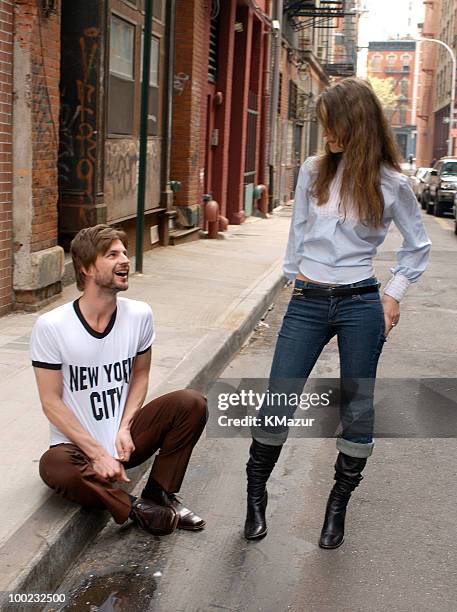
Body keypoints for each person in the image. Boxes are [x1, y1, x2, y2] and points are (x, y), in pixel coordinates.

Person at [244, 77, 432, 548]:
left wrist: (393, 294)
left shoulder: (394, 185)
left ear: (356, 124)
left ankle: (337, 505)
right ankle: (255, 496)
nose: (325, 133)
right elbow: (298, 234)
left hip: (360, 303)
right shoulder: (314, 170)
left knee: (357, 407)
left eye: (332, 124)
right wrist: (293, 282)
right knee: (278, 399)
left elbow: (417, 246)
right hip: (307, 301)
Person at [32, 225, 208, 535]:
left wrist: (125, 426)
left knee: (190, 402)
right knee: (53, 466)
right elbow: (51, 402)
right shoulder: (52, 325)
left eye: (125, 252)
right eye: (112, 254)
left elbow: (140, 376)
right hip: (78, 450)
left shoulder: (139, 314)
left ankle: (160, 492)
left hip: (125, 441)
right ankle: (139, 510)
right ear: (86, 268)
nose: (124, 260)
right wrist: (97, 453)